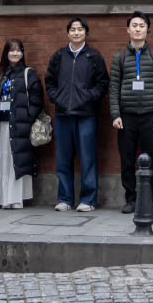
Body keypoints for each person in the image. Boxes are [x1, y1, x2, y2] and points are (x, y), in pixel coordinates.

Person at [45, 17, 109, 212]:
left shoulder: (93, 56)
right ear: (68, 33)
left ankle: (88, 200)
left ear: (85, 33)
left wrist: (88, 98)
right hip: (63, 115)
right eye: (73, 29)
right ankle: (65, 199)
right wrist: (58, 98)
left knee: (87, 158)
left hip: (86, 115)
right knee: (63, 159)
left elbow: (102, 83)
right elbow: (49, 81)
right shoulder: (59, 56)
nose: (76, 33)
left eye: (80, 29)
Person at [110, 11, 153, 214]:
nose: (137, 29)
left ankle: (149, 200)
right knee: (127, 160)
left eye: (142, 26)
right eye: (134, 25)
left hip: (151, 116)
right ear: (128, 30)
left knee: (152, 160)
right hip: (126, 117)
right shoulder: (120, 57)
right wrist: (115, 114)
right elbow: (114, 87)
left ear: (147, 30)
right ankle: (131, 199)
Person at [0, 38, 45, 209]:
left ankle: (15, 198)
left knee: (16, 160)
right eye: (12, 50)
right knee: (1, 160)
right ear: (6, 53)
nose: (15, 53)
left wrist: (27, 117)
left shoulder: (29, 74)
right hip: (0, 126)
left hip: (19, 126)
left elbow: (37, 100)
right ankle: (1, 198)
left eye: (18, 50)